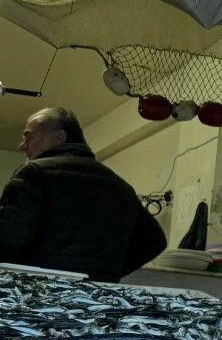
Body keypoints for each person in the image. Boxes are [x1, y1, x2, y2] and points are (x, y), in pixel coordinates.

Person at [0, 108, 166, 281]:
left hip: (40, 293)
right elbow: (154, 241)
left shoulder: (34, 174)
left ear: (59, 137)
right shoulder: (121, 187)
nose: (22, 146)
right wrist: (107, 272)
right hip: (95, 298)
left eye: (29, 137)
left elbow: (7, 241)